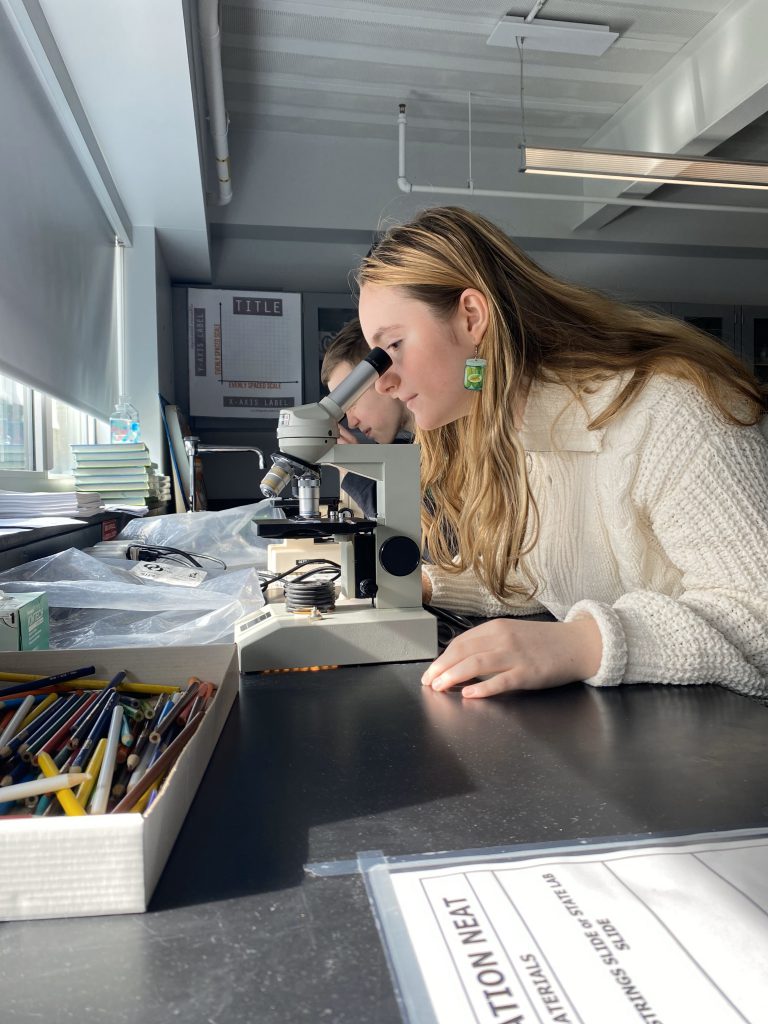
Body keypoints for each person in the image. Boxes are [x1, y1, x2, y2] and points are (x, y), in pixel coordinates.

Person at [356, 206, 768, 701]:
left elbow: (758, 611)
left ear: (471, 316)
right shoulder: (516, 427)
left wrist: (581, 643)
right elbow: (535, 569)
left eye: (393, 345)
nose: (383, 380)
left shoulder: (673, 409)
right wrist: (421, 584)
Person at [321, 317, 412, 518]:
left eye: (351, 403)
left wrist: (350, 470)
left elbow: (425, 533)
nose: (352, 422)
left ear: (383, 376)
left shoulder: (452, 442)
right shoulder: (406, 451)